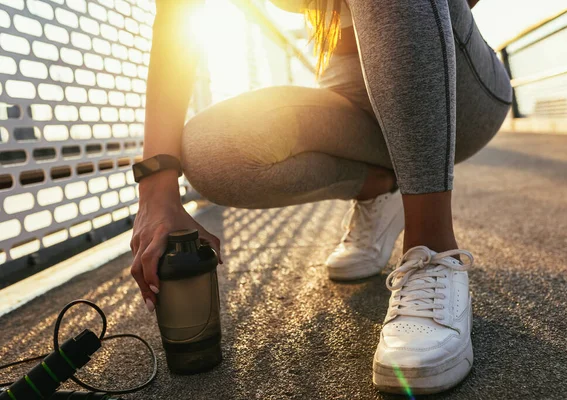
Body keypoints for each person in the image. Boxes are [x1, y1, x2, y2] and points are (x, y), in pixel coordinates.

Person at [129, 0, 512, 394]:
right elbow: (177, 19)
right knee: (210, 151)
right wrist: (156, 192)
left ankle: (431, 250)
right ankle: (381, 190)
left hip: (454, 88)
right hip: (350, 94)